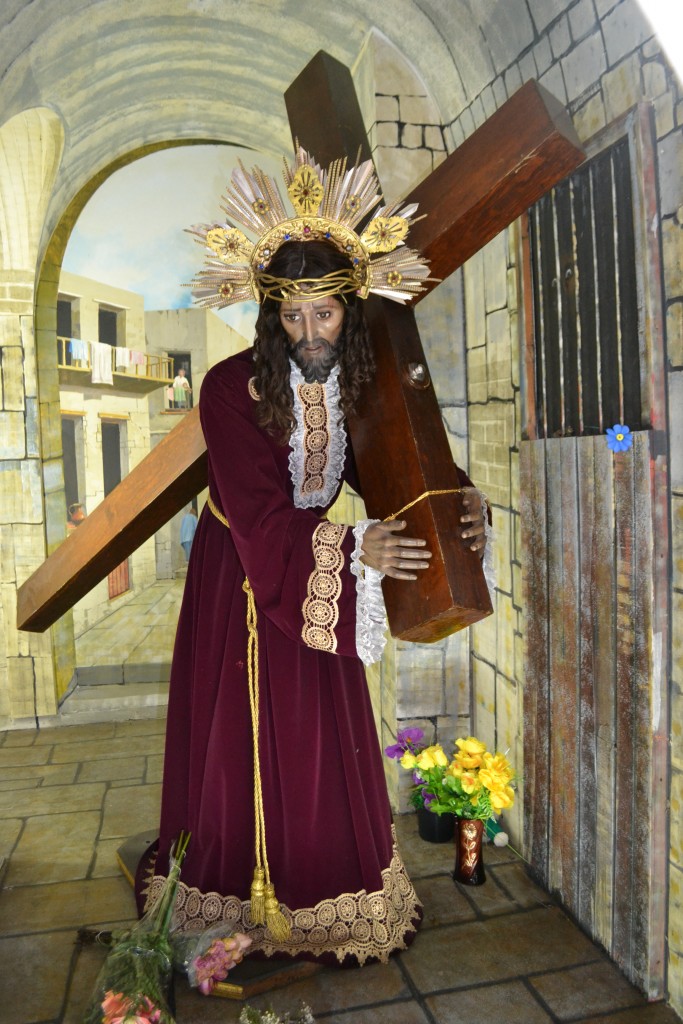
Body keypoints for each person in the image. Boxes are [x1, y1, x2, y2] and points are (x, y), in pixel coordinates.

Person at [145, 152, 489, 967]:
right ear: (270, 314)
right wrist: (349, 546)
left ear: (349, 308)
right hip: (243, 573)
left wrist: (459, 498)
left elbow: (392, 469)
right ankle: (238, 893)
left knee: (320, 737)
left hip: (320, 571)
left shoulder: (358, 383)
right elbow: (260, 511)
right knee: (240, 741)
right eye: (292, 318)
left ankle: (330, 893)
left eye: (324, 316)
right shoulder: (231, 389)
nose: (308, 335)